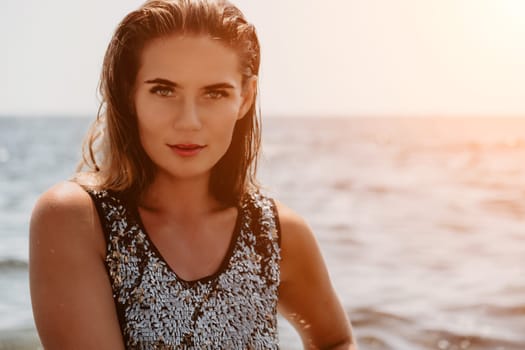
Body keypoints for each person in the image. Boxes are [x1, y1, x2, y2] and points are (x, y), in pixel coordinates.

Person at [29, 0, 356, 348]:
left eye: (215, 93)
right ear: (129, 95)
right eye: (163, 90)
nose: (189, 121)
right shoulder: (76, 220)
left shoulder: (277, 234)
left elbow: (335, 340)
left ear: (245, 97)